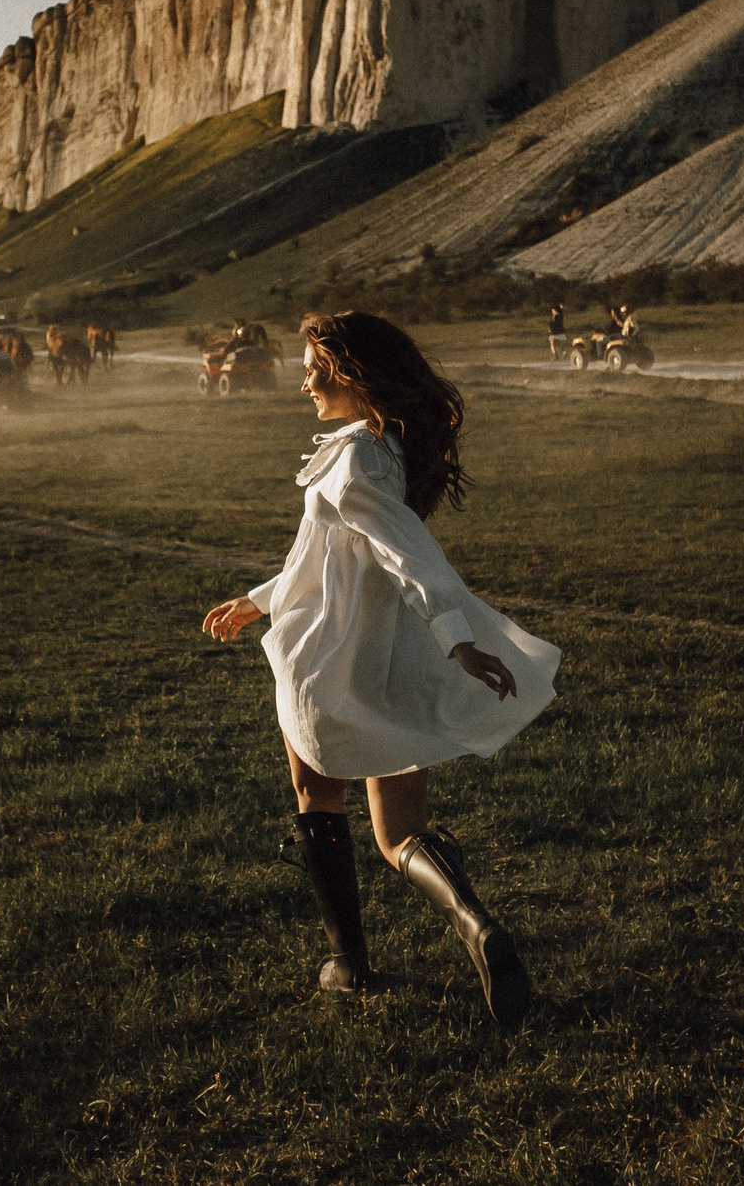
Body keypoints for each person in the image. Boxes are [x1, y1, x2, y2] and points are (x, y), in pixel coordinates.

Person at [202, 311, 560, 1026]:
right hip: (388, 654)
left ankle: (347, 962)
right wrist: (259, 598)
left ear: (354, 373)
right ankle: (474, 922)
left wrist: (459, 639)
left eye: (316, 369)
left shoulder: (356, 458)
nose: (304, 382)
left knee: (317, 795)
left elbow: (406, 553)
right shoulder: (386, 449)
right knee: (399, 834)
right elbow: (330, 555)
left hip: (326, 658)